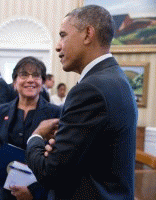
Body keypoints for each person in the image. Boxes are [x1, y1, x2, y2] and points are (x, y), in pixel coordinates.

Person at [26, 5, 138, 199]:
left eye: (63, 35)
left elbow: (51, 173)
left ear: (88, 34)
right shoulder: (115, 77)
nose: (58, 46)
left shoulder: (90, 89)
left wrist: (35, 138)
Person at [0, 56, 61, 200]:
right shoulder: (1, 111)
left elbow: (61, 158)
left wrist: (35, 191)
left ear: (42, 82)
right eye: (24, 75)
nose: (30, 79)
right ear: (14, 82)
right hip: (3, 189)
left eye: (36, 75)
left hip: (38, 191)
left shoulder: (55, 113)